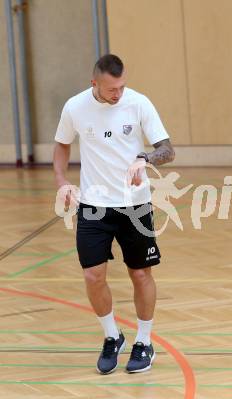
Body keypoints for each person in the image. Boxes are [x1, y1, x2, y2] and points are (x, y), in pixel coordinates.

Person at [53, 54, 175, 374]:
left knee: (140, 274)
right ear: (95, 83)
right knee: (93, 276)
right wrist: (62, 181)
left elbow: (168, 149)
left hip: (135, 205)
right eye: (111, 89)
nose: (117, 94)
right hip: (93, 206)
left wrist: (144, 158)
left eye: (121, 87)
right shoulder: (75, 107)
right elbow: (62, 144)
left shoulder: (138, 104)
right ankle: (112, 336)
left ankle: (144, 341)